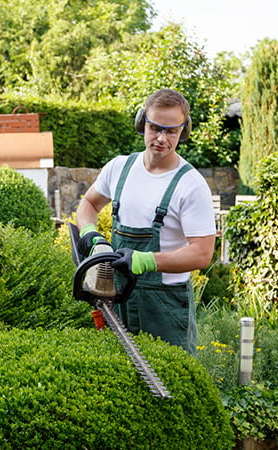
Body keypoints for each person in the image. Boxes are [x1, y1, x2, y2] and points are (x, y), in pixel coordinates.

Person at [75, 88, 216, 355]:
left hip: (164, 305)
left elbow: (202, 253)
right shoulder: (119, 168)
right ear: (143, 124)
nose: (161, 138)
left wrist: (145, 260)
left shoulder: (190, 184)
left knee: (173, 382)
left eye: (171, 131)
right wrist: (91, 235)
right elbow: (89, 204)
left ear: (183, 131)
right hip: (116, 296)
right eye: (155, 128)